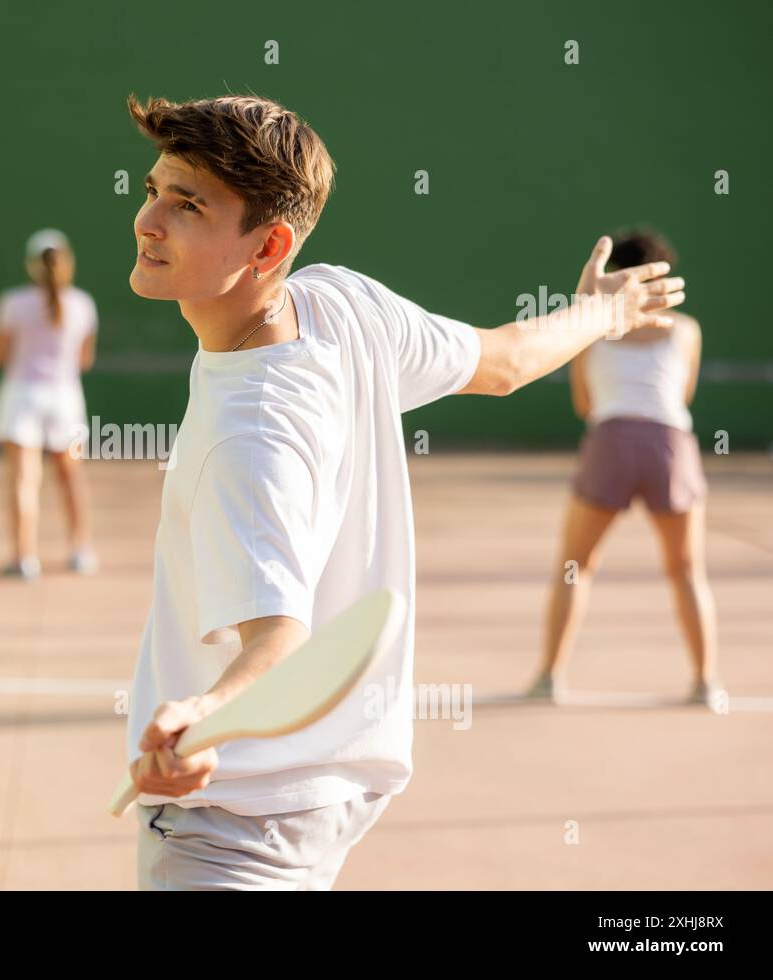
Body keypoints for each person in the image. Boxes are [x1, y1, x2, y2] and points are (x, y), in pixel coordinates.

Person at [121, 93, 684, 890]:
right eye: (152, 192)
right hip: (329, 795)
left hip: (232, 824)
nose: (149, 221)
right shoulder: (343, 304)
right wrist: (604, 310)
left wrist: (203, 717)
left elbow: (277, 637)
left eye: (188, 206)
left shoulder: (250, 431)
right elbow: (504, 361)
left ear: (269, 243)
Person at [527, 229, 722, 709]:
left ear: (616, 277)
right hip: (669, 445)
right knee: (687, 571)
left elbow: (584, 402)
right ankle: (706, 684)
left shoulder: (589, 330)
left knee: (575, 567)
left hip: (609, 440)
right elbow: (683, 396)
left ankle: (550, 678)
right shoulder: (688, 330)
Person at [0, 229, 99, 580]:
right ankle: (80, 551)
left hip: (21, 396)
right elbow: (84, 360)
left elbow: (0, 355)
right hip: (65, 398)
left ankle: (24, 558)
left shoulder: (12, 303)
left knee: (24, 479)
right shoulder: (83, 304)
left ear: (33, 265)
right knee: (71, 478)